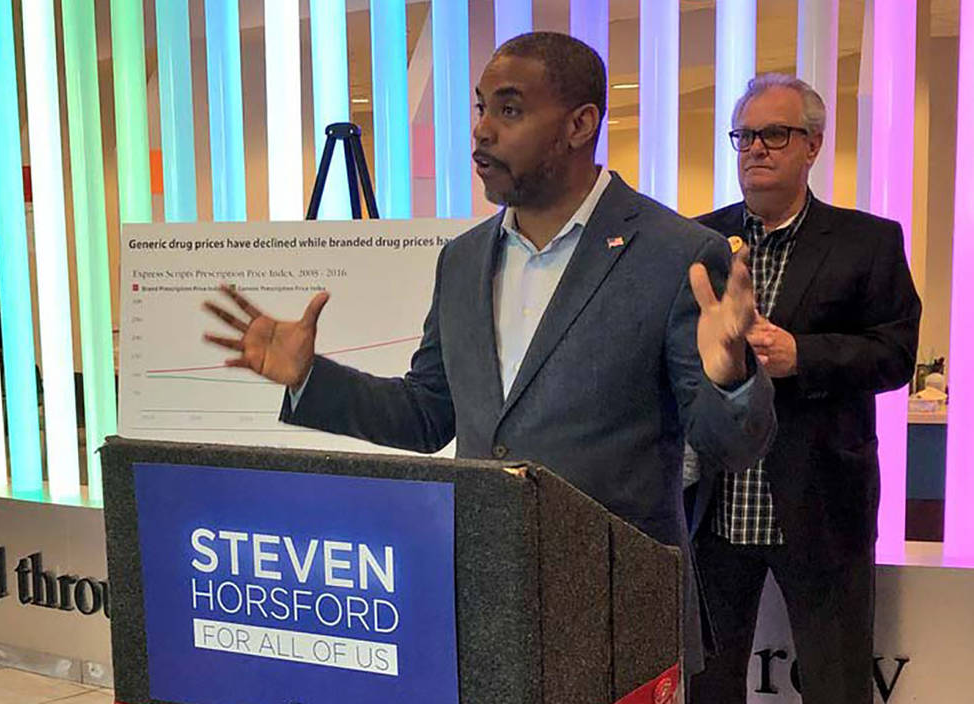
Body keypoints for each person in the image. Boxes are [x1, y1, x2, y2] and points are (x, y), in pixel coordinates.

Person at [203, 32, 775, 677]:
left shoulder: (676, 253)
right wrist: (311, 379)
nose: (482, 131)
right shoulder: (463, 259)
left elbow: (733, 448)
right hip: (482, 601)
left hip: (617, 614)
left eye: (509, 109)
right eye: (480, 108)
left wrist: (730, 375)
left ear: (580, 124)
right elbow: (428, 414)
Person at [689, 74, 921, 703]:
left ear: (813, 145)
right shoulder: (699, 243)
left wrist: (803, 356)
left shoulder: (868, 241)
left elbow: (896, 355)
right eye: (744, 136)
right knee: (707, 688)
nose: (755, 149)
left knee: (836, 686)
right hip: (716, 509)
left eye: (775, 134)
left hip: (822, 505)